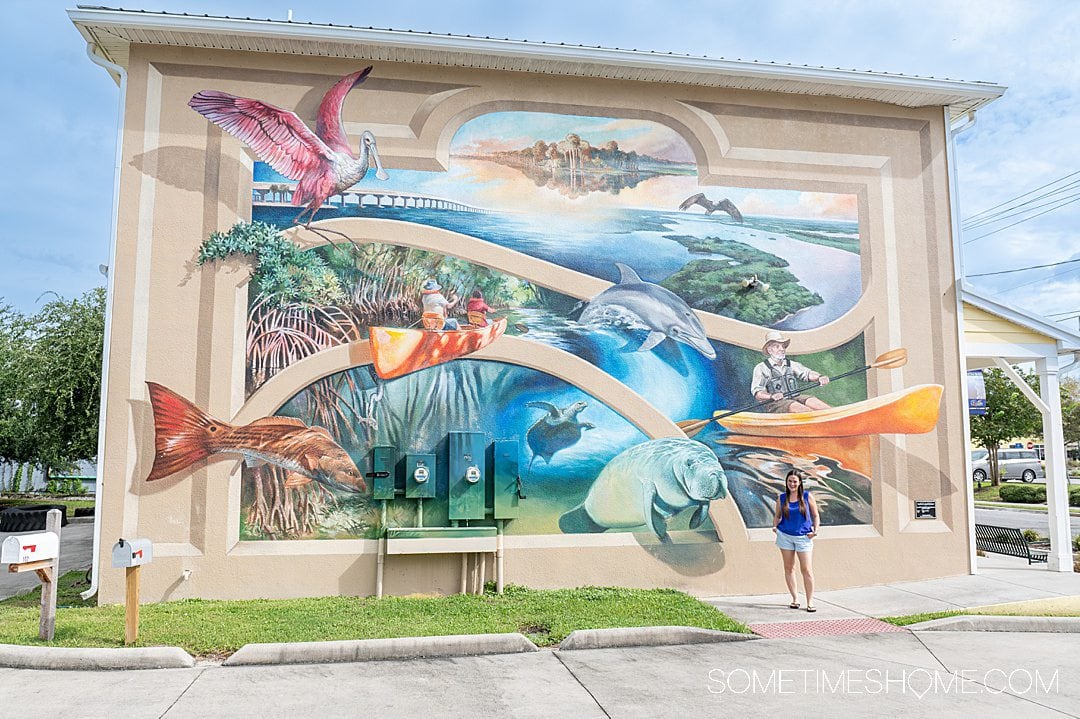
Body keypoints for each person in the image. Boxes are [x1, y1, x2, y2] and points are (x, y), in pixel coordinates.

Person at [772, 470, 820, 612]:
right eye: (789, 481)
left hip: (803, 537)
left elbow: (816, 516)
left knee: (806, 570)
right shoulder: (781, 498)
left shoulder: (807, 496)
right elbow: (777, 516)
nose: (792, 484)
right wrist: (775, 526)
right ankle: (795, 598)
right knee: (789, 568)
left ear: (799, 483)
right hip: (785, 536)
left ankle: (810, 601)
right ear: (786, 483)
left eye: (794, 481)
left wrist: (815, 531)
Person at [751, 330, 830, 413]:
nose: (782, 349)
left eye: (783, 346)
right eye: (777, 346)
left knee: (813, 401)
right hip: (775, 404)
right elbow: (758, 393)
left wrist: (820, 377)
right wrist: (771, 396)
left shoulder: (790, 364)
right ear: (770, 350)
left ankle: (833, 413)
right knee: (802, 409)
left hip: (795, 397)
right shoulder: (761, 368)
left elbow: (807, 373)